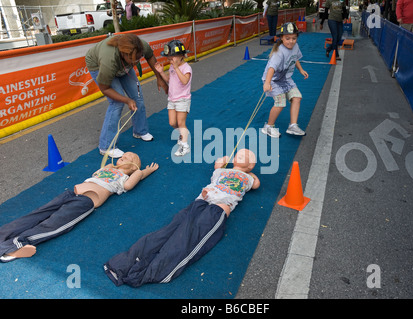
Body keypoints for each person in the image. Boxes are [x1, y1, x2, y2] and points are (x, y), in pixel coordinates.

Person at [103, 149, 260, 287]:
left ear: (250, 165)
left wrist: (249, 173)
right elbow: (217, 165)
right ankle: (124, 264)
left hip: (220, 206)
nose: (241, 154)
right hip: (202, 199)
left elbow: (256, 184)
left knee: (189, 236)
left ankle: (153, 269)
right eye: (239, 154)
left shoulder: (248, 177)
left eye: (246, 155)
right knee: (172, 230)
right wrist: (225, 159)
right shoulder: (223, 171)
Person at [0, 152, 159, 262]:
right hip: (71, 193)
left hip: (85, 202)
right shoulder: (109, 168)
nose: (124, 157)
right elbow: (97, 174)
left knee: (54, 224)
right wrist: (108, 167)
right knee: (38, 214)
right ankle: (4, 234)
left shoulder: (126, 178)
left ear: (133, 167)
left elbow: (131, 185)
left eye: (129, 157)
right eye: (123, 156)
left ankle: (15, 244)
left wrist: (143, 172)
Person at [85, 33, 168, 158]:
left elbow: (150, 57)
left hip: (122, 66)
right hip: (98, 65)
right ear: (124, 54)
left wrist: (159, 77)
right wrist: (126, 100)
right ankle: (106, 146)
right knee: (117, 103)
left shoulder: (140, 45)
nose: (136, 62)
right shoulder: (109, 60)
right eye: (134, 60)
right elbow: (105, 88)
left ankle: (140, 131)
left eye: (139, 59)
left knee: (137, 96)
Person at [261, 22, 309, 139]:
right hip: (273, 80)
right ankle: (268, 126)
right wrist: (267, 83)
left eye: (294, 38)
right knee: (280, 103)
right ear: (281, 38)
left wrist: (301, 70)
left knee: (297, 97)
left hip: (285, 79)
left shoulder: (295, 47)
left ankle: (293, 126)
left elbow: (295, 58)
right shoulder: (279, 52)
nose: (291, 41)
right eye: (287, 38)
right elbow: (271, 68)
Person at [155, 40, 192, 157]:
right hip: (172, 99)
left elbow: (185, 81)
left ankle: (185, 145)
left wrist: (176, 68)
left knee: (181, 122)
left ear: (181, 56)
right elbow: (170, 80)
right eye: (168, 58)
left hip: (183, 99)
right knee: (172, 123)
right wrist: (161, 73)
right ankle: (183, 133)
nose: (169, 60)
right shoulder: (172, 66)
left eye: (171, 58)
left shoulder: (186, 68)